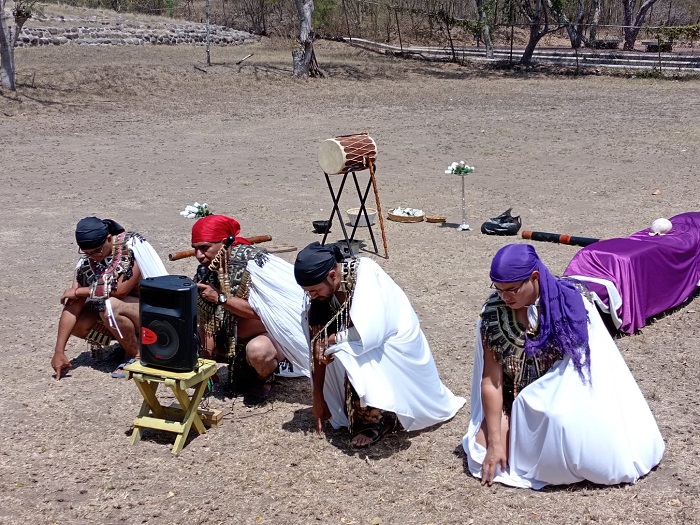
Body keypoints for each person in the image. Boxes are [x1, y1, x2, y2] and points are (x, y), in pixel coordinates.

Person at [462, 243, 665, 489]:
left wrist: (540, 402)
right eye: (499, 289)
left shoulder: (572, 304)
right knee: (480, 452)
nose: (504, 297)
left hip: (564, 400)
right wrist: (495, 440)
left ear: (534, 278)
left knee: (563, 427)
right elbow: (491, 381)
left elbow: (584, 372)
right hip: (513, 402)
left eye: (512, 290)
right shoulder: (494, 313)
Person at [294, 242, 466, 448]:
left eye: (314, 291)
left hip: (395, 343)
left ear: (332, 275)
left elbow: (371, 334)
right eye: (307, 292)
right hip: (361, 341)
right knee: (341, 347)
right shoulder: (320, 296)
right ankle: (366, 408)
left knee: (352, 351)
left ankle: (374, 419)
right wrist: (318, 397)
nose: (312, 296)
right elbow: (317, 343)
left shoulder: (365, 273)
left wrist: (331, 340)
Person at [191, 215, 310, 404]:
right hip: (231, 338)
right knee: (191, 332)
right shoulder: (206, 269)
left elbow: (265, 312)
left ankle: (266, 376)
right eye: (195, 248)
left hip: (268, 337)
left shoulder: (255, 266)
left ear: (224, 243)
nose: (198, 255)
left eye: (204, 248)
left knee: (258, 351)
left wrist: (220, 298)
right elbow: (205, 316)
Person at [51, 217, 167, 380]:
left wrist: (79, 291)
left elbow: (120, 290)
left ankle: (135, 355)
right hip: (128, 315)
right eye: (87, 253)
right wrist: (59, 351)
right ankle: (127, 342)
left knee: (109, 305)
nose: (93, 257)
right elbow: (72, 306)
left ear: (108, 239)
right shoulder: (86, 262)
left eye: (97, 251)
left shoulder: (130, 246)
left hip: (153, 313)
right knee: (78, 323)